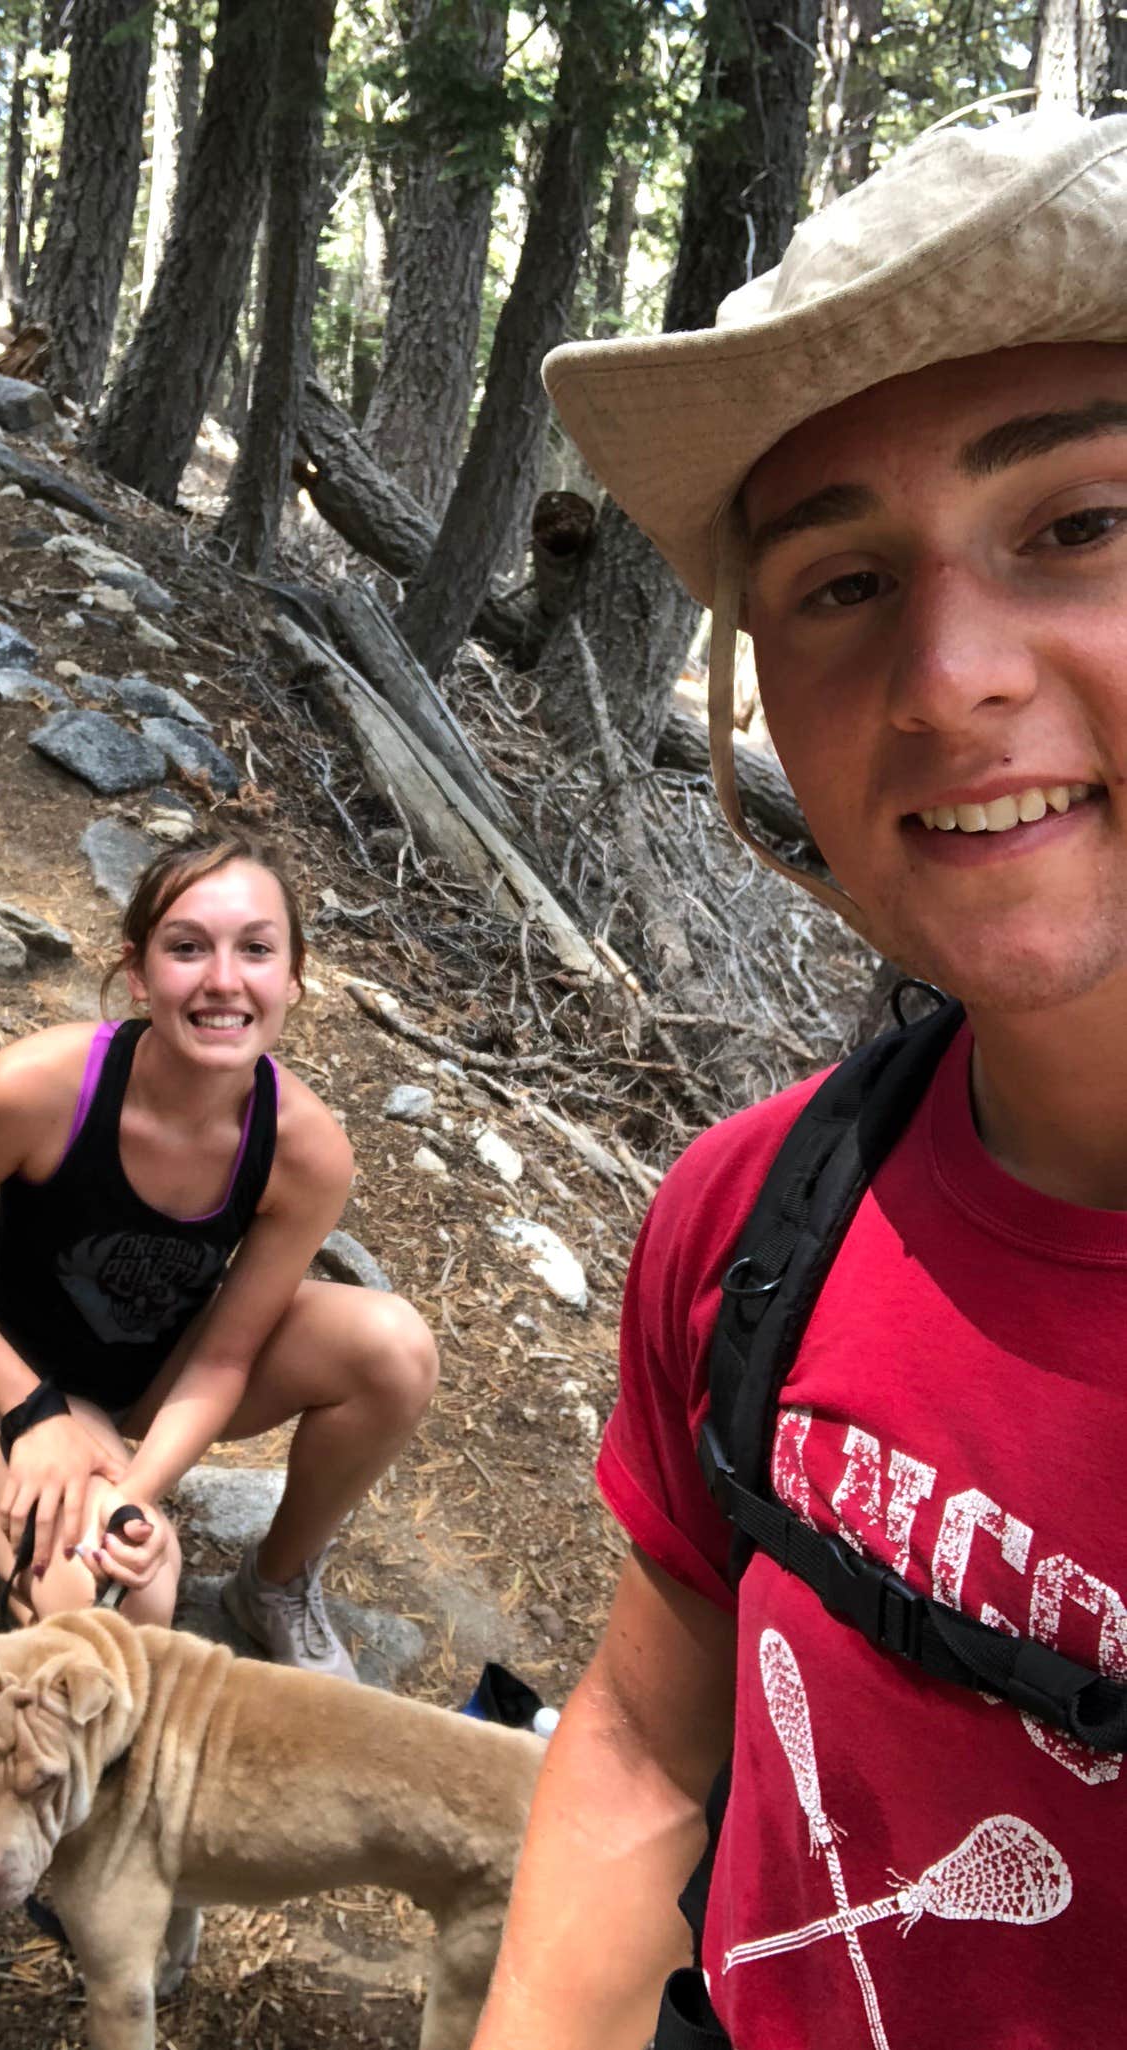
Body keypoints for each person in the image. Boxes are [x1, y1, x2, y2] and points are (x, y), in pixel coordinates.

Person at [472, 110, 1127, 2049]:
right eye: (839, 582)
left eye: (1078, 523)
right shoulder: (755, 1217)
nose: (942, 679)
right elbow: (645, 1735)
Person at [0, 834, 438, 1678]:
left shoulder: (304, 1150)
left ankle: (275, 1583)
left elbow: (224, 1356)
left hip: (148, 1374)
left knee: (393, 1349)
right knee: (126, 1606)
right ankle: (19, 1538)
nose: (223, 980)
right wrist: (36, 1416)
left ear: (291, 978)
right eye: (187, 948)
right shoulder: (35, 1090)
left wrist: (134, 1493)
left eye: (255, 949)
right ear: (139, 974)